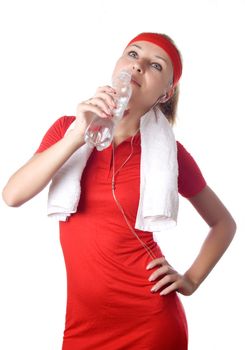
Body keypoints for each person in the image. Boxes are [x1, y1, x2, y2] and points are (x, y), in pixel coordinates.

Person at [2, 32, 236, 350]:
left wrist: (191, 279)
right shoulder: (67, 129)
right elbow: (13, 195)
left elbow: (224, 224)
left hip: (150, 323)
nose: (138, 66)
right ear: (118, 66)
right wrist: (79, 133)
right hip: (83, 326)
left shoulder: (171, 154)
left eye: (155, 65)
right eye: (132, 54)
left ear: (165, 94)